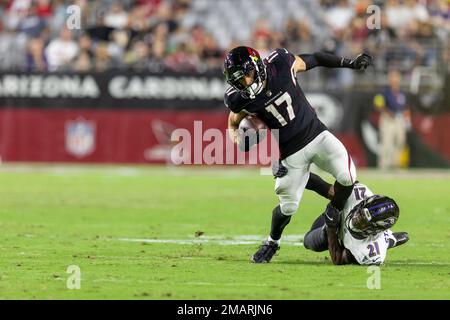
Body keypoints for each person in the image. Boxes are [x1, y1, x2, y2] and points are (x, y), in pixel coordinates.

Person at [223, 46, 372, 263]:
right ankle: (272, 242)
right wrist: (238, 141)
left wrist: (349, 63)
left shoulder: (281, 64)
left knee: (348, 175)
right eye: (238, 80)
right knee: (288, 206)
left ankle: (334, 211)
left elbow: (317, 57)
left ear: (257, 66)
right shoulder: (238, 98)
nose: (245, 82)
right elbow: (233, 122)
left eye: (246, 75)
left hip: (316, 134)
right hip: (290, 151)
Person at [304, 179, 409, 265]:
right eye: (360, 214)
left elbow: (338, 258)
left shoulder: (369, 252)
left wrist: (331, 228)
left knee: (312, 240)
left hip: (340, 233)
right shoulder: (357, 193)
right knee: (308, 241)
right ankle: (390, 239)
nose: (355, 220)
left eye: (363, 222)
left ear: (374, 231)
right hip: (340, 218)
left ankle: (389, 240)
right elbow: (328, 189)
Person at [374, 70, 411, 169]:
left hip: (400, 119)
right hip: (388, 119)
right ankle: (384, 165)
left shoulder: (402, 93)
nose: (394, 79)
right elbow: (377, 104)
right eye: (392, 77)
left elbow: (405, 107)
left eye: (396, 77)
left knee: (400, 141)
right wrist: (387, 111)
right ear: (389, 79)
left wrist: (407, 118)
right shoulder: (384, 92)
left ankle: (397, 165)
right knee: (387, 142)